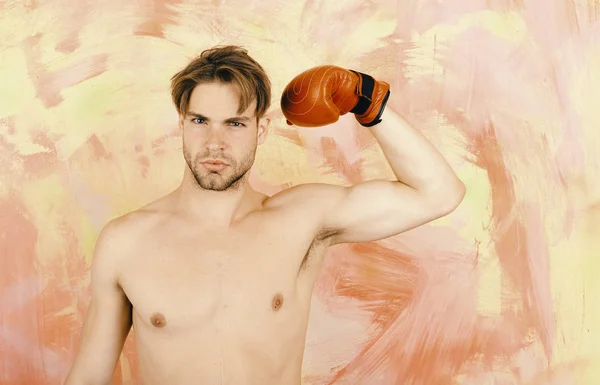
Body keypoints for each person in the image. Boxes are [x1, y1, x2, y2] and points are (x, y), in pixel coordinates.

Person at [64, 45, 465, 385]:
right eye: (200, 121)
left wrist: (367, 99)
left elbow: (438, 195)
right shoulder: (126, 241)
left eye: (235, 123)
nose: (214, 143)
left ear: (262, 129)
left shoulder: (302, 219)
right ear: (182, 125)